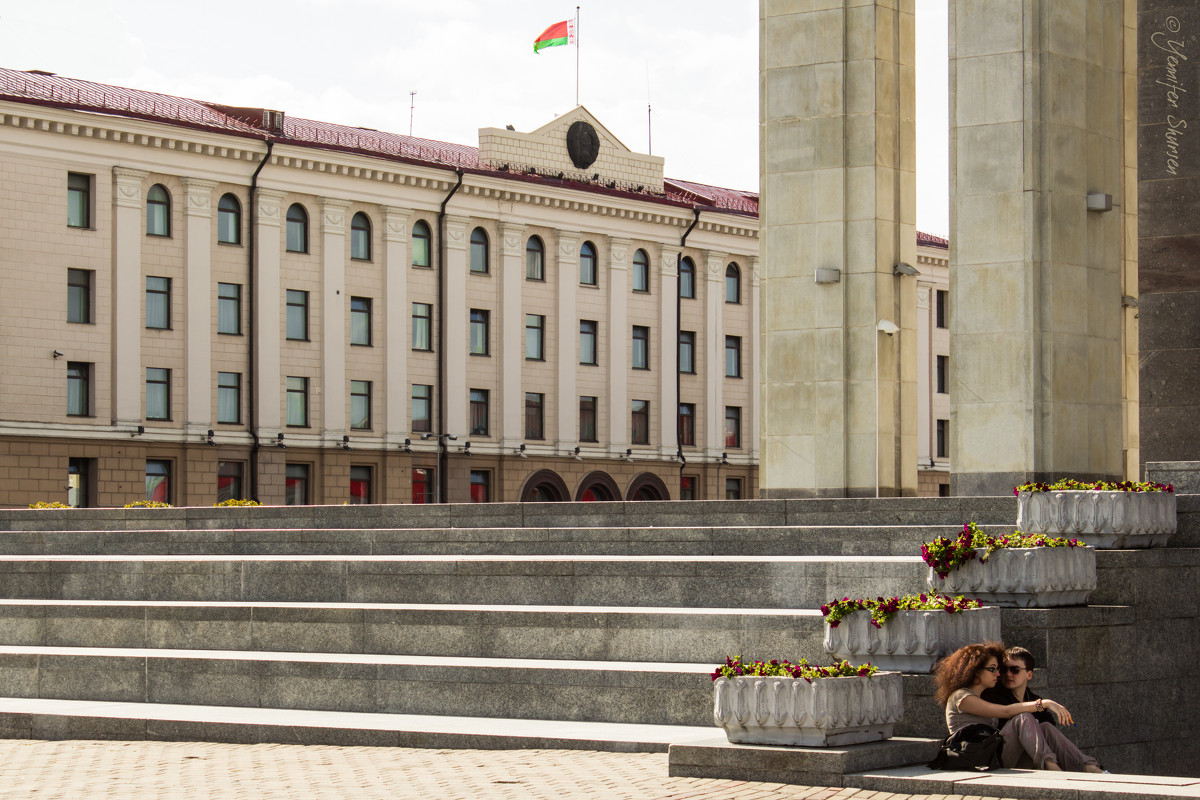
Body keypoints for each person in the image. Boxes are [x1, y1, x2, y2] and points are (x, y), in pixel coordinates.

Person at [933, 642, 1103, 772]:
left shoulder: (981, 696)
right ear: (975, 670)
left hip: (993, 756)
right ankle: (1052, 769)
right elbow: (1006, 711)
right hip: (978, 759)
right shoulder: (960, 697)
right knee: (1023, 718)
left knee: (1045, 727)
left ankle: (1090, 768)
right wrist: (1045, 703)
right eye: (993, 669)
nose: (999, 674)